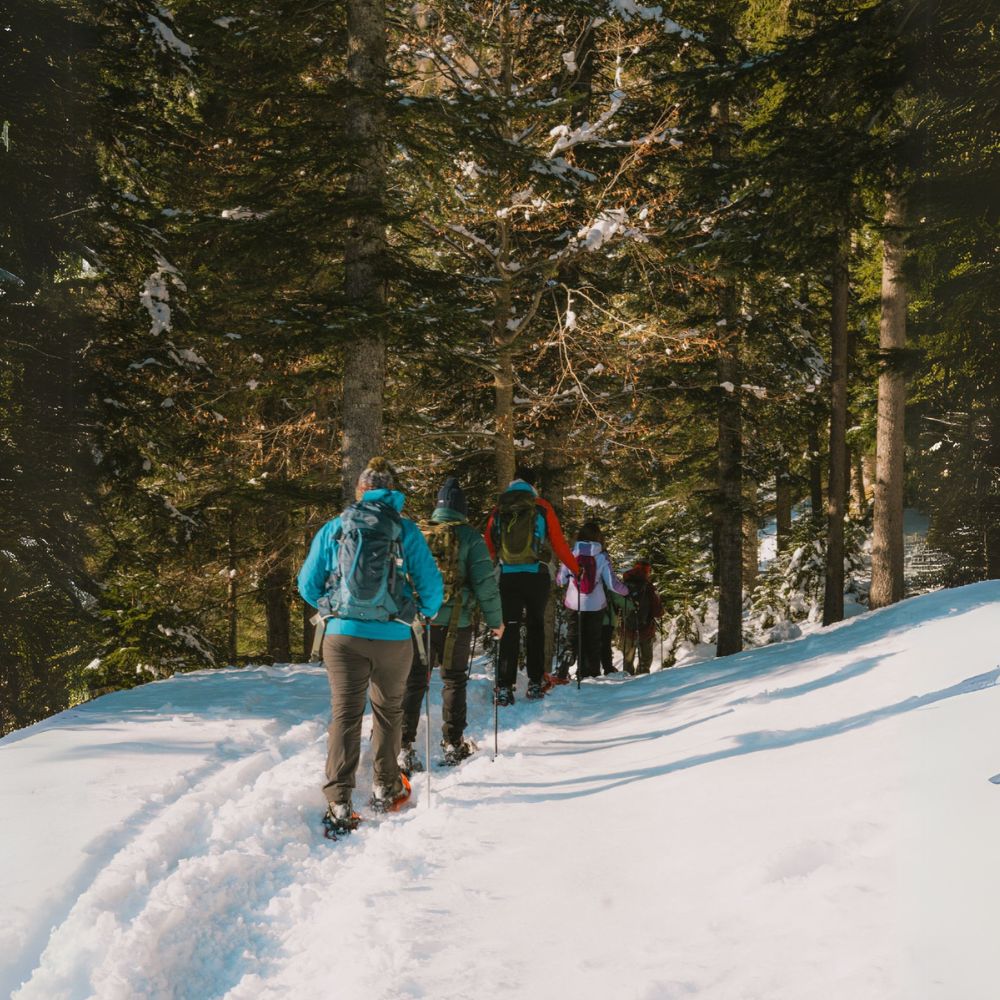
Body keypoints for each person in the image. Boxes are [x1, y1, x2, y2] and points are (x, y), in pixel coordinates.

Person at [297, 457, 443, 835]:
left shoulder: (336, 527)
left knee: (345, 713)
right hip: (393, 636)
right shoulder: (405, 529)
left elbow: (307, 584)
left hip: (342, 637)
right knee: (388, 710)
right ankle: (385, 784)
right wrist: (423, 612)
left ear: (360, 491)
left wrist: (331, 606)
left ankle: (339, 801)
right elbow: (430, 585)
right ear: (391, 492)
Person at [399, 477, 504, 771]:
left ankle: (403, 746)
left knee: (414, 680)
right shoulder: (470, 538)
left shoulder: (418, 534)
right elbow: (485, 584)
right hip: (457, 620)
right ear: (462, 508)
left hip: (418, 620)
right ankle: (453, 743)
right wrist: (496, 621)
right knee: (454, 679)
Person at [485, 472, 579, 704]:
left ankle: (505, 687)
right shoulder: (542, 507)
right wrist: (576, 570)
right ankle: (535, 682)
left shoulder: (500, 509)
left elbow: (489, 544)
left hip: (508, 577)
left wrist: (485, 576)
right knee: (536, 626)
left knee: (509, 629)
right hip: (536, 575)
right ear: (532, 485)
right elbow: (558, 542)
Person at [556, 522, 629, 680]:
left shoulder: (571, 553)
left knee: (573, 637)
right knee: (593, 639)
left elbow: (560, 580)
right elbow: (612, 584)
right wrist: (627, 591)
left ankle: (565, 665)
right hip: (596, 605)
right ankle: (592, 673)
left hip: (573, 604)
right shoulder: (602, 556)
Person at [618, 558, 664, 675]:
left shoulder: (624, 584)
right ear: (647, 570)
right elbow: (658, 612)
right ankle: (643, 684)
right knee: (645, 660)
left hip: (627, 628)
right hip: (646, 629)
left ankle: (626, 683)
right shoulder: (649, 587)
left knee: (627, 661)